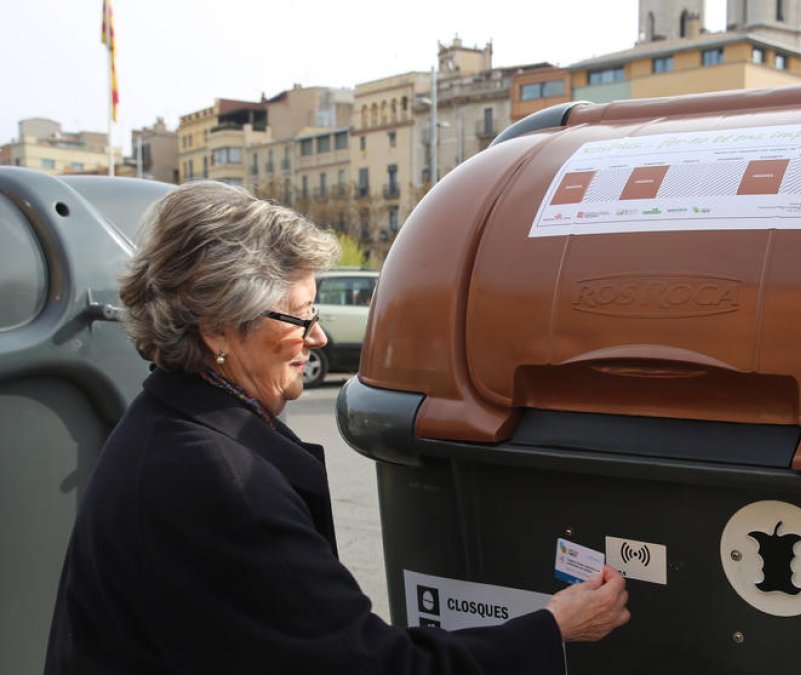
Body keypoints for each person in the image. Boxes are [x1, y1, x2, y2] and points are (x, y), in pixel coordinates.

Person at [44, 181, 630, 674]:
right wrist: (552, 628)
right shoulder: (217, 478)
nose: (318, 337)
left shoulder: (168, 421)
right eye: (300, 316)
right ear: (219, 326)